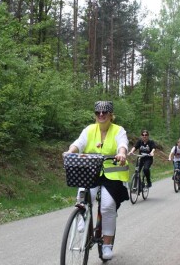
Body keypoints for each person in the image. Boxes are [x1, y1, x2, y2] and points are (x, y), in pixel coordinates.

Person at [65, 101, 129, 260]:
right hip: (91, 170)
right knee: (85, 196)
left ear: (111, 115)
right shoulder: (89, 129)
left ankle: (106, 245)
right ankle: (81, 215)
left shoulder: (118, 130)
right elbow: (79, 143)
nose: (101, 115)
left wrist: (121, 153)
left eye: (104, 112)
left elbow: (122, 144)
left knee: (107, 206)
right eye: (98, 112)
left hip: (111, 171)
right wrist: (70, 151)